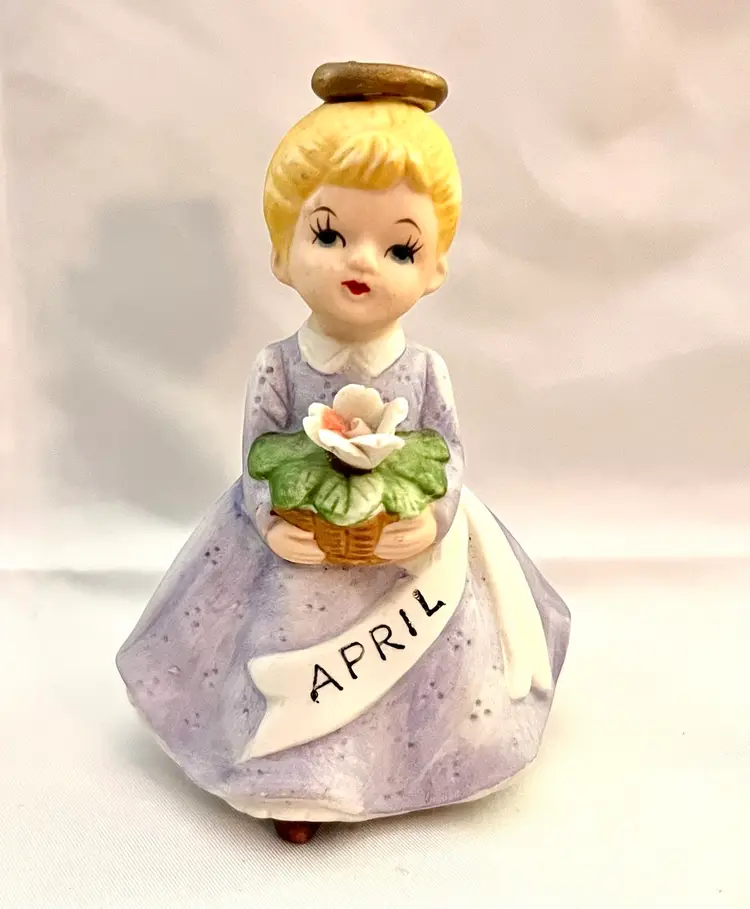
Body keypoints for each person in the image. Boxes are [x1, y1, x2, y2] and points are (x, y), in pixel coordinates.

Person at [117, 62, 571, 845]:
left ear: (435, 267)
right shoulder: (277, 367)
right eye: (329, 235)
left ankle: (412, 761)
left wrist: (431, 521)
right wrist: (273, 521)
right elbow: (257, 458)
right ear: (282, 250)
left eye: (399, 247)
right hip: (294, 556)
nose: (361, 260)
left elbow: (449, 458)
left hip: (404, 559)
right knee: (284, 629)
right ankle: (298, 777)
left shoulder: (423, 371)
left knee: (449, 662)